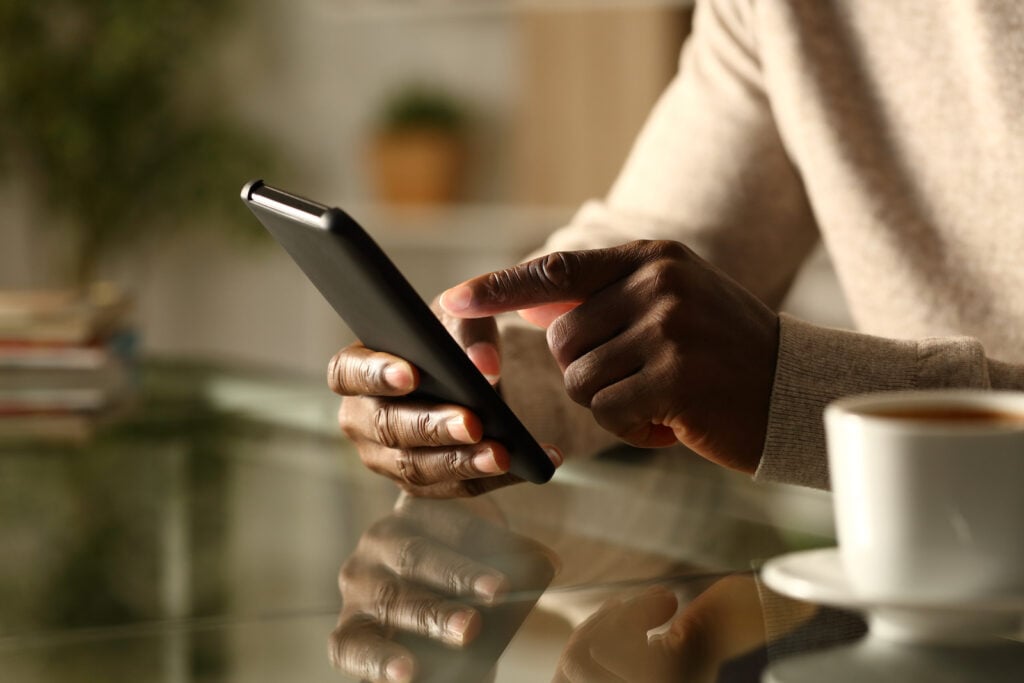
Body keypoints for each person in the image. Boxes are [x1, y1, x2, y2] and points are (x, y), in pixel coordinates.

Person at [328, 0, 1024, 495]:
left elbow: (750, 367)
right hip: (928, 581)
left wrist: (795, 387)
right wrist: (478, 387)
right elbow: (650, 238)